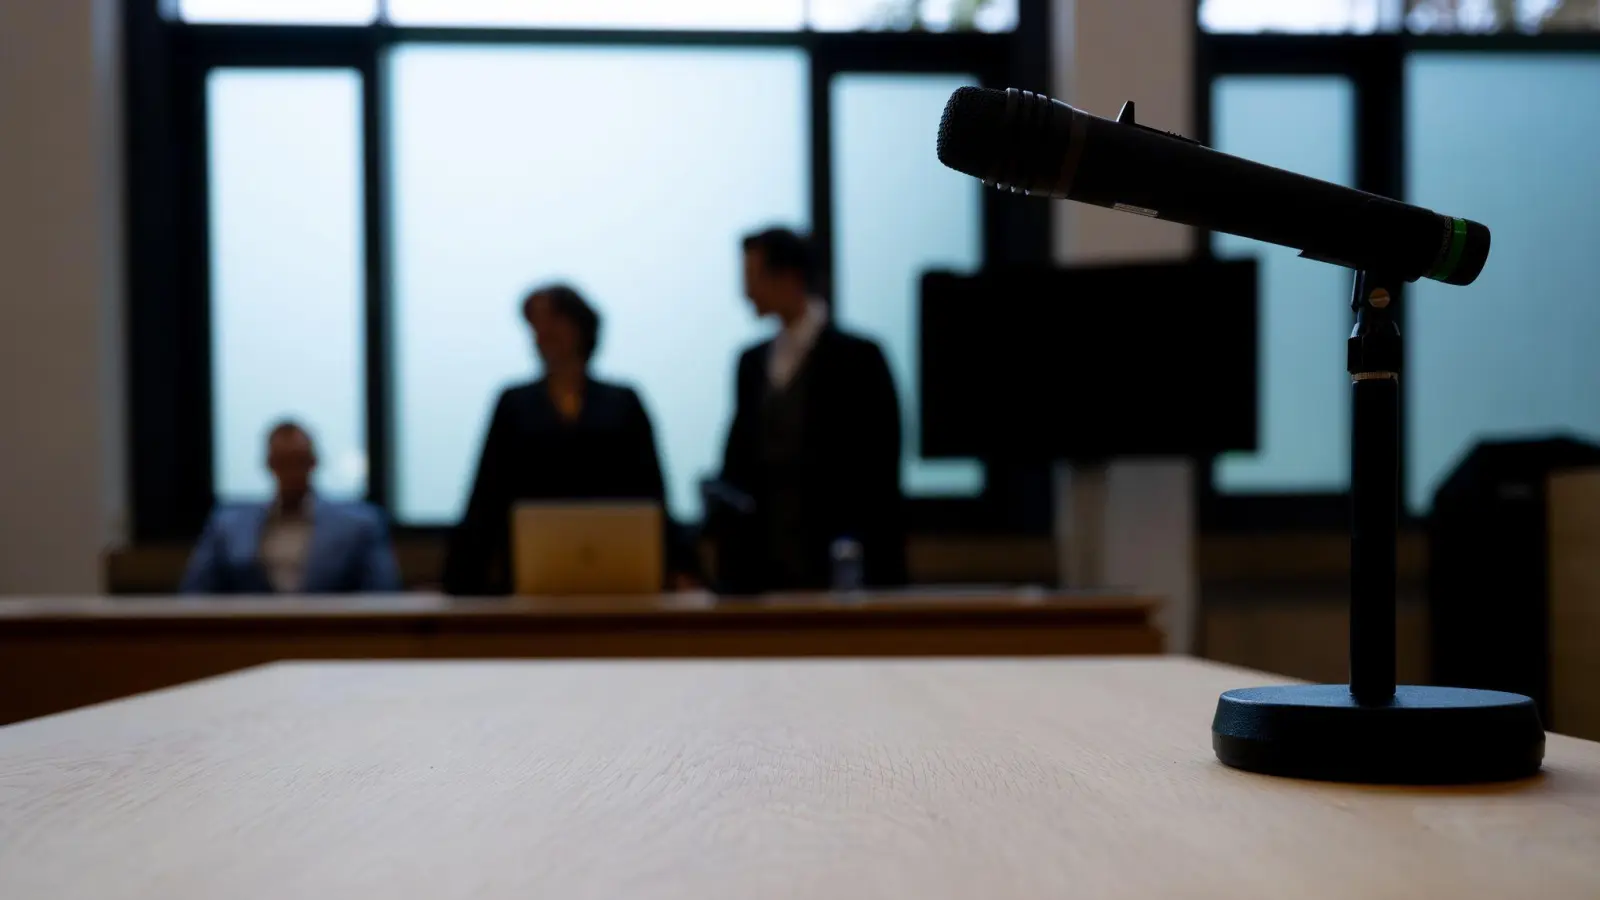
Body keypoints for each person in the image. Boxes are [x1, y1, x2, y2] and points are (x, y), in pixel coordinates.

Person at [442, 284, 693, 595]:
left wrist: (681, 566)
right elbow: (487, 492)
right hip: (530, 569)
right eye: (537, 325)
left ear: (578, 326)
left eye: (553, 322)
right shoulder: (514, 403)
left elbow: (652, 489)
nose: (543, 334)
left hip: (618, 565)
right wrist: (457, 579)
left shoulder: (623, 401)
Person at [712, 227, 907, 593]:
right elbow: (738, 456)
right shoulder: (751, 362)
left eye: (754, 278)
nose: (746, 292)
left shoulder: (859, 357)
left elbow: (880, 463)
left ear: (789, 277)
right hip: (764, 559)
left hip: (837, 552)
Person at [181, 421, 401, 594]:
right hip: (247, 636)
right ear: (269, 464)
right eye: (283, 461)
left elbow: (383, 592)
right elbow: (195, 591)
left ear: (314, 462)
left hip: (332, 635)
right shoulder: (228, 525)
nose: (291, 471)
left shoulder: (359, 525)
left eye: (299, 461)